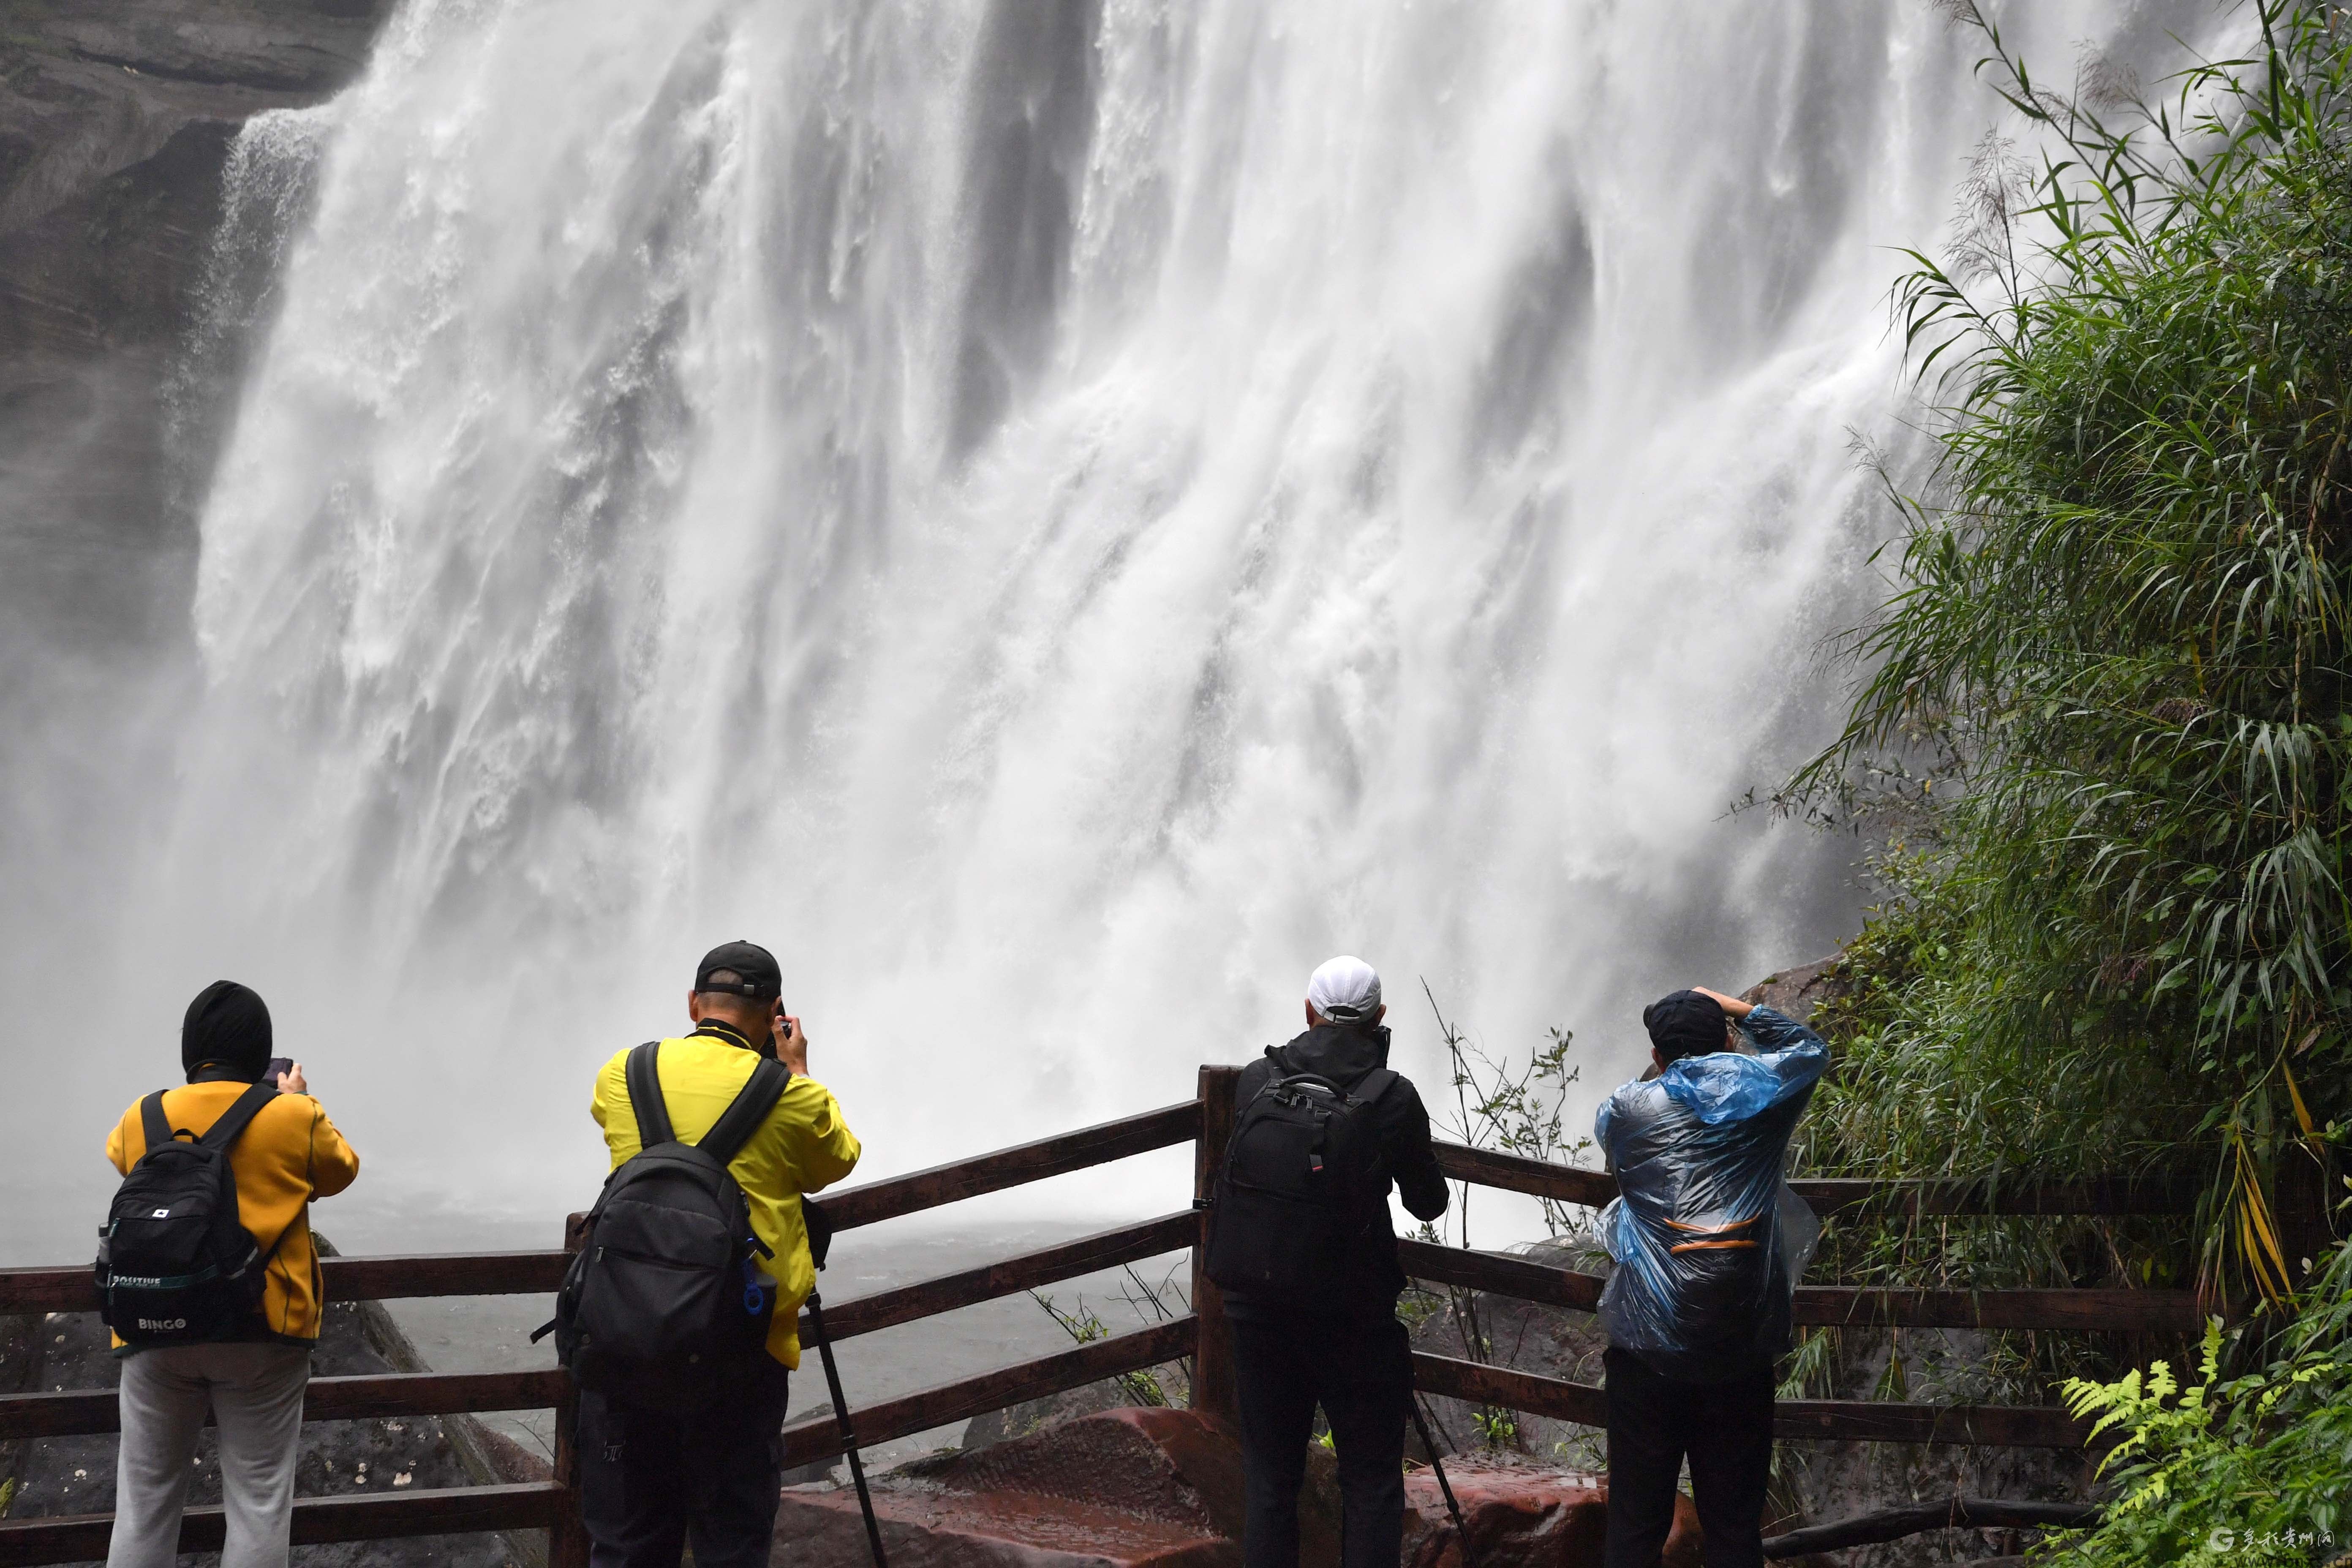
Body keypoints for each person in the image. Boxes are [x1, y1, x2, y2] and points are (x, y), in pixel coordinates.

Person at [580, 940, 862, 1568]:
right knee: (731, 1541)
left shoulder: (623, 1073)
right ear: (775, 1015)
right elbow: (836, 1158)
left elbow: (610, 1126)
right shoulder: (792, 1098)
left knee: (627, 1542)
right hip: (741, 1348)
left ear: (692, 1005)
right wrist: (795, 1069)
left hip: (625, 1342)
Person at [103, 980, 361, 1568]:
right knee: (260, 1504)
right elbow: (341, 1170)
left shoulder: (142, 1116)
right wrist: (293, 1098)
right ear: (261, 1053)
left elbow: (121, 1158)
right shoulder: (292, 1115)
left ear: (191, 1052)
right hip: (261, 1329)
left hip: (153, 1324)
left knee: (144, 1506)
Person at [1220, 956, 1449, 1568]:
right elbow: (1428, 1203)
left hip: (1258, 1312)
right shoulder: (1392, 1096)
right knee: (1370, 1484)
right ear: (1379, 1018)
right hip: (1354, 1321)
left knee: (1271, 1483)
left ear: (1308, 1012)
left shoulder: (1255, 1080)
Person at [1595, 985, 1828, 1568]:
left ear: (1656, 1057)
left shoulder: (1626, 1111)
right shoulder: (1766, 1103)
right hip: (1739, 1351)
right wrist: (1736, 1007)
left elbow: (1616, 1143)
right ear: (1728, 1044)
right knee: (1733, 1532)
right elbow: (1809, 1048)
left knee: (1634, 1529)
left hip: (1646, 1353)